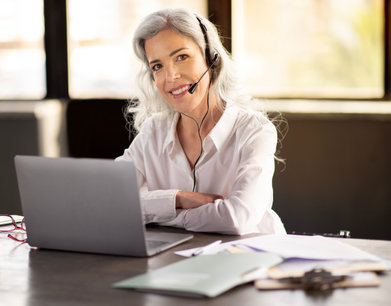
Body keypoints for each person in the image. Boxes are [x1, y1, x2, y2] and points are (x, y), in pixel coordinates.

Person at [115, 8, 286, 235]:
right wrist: (178, 198)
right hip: (177, 262)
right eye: (157, 66)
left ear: (211, 58)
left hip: (249, 261)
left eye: (181, 57)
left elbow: (236, 218)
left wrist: (157, 213)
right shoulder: (153, 131)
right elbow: (113, 200)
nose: (170, 77)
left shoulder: (254, 131)